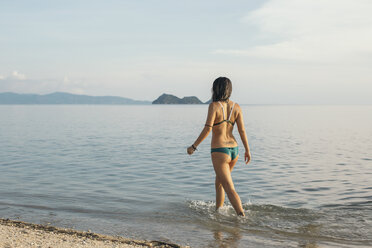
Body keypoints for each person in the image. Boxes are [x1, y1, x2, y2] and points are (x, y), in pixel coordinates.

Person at [187, 77, 251, 216]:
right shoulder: (237, 107)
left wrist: (194, 146)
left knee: (229, 187)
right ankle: (218, 212)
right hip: (234, 150)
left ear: (216, 89)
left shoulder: (214, 106)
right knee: (220, 183)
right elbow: (242, 131)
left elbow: (207, 129)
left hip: (220, 151)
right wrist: (247, 150)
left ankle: (241, 216)